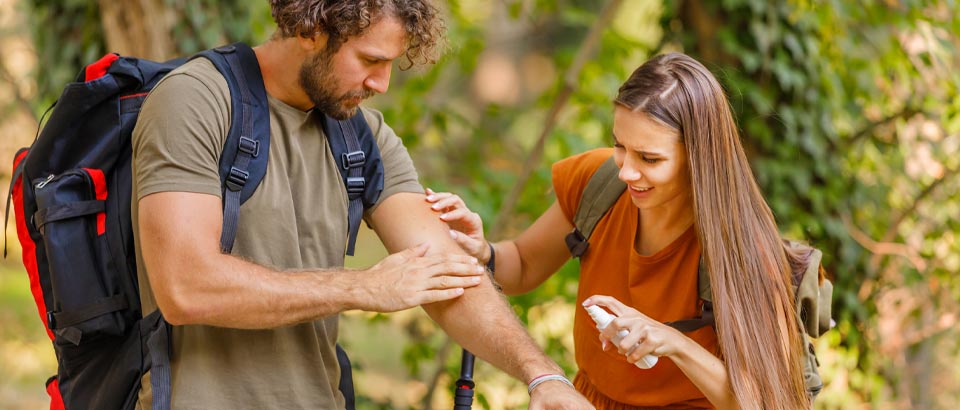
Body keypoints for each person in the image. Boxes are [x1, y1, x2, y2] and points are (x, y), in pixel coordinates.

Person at [131, 1, 594, 408]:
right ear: (310, 29)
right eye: (370, 60)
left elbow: (448, 271)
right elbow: (186, 288)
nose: (383, 83)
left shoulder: (361, 135)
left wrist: (543, 376)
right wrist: (362, 288)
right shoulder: (195, 100)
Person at [426, 53, 814, 409]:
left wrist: (673, 343)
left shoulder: (745, 253)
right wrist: (484, 252)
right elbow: (524, 265)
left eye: (650, 158)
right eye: (619, 146)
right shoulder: (600, 183)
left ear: (700, 159)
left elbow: (765, 400)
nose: (627, 171)